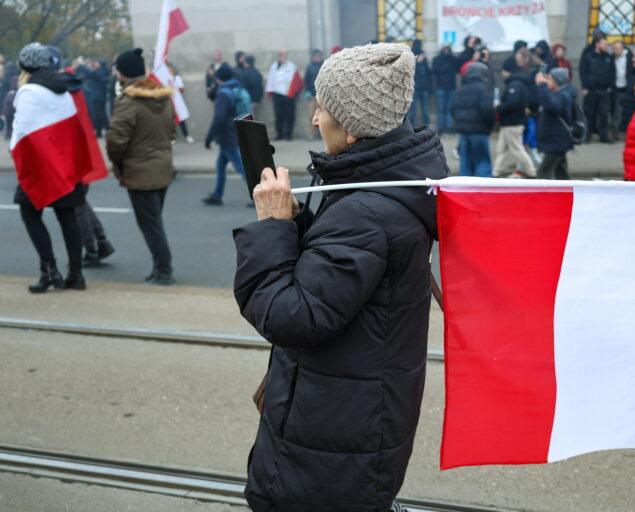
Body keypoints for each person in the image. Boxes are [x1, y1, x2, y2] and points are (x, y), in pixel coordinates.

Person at [234, 42, 448, 512]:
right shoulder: (386, 186)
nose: (314, 120)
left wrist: (272, 229)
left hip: (335, 431)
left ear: (351, 129)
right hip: (356, 410)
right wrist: (297, 224)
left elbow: (294, 316)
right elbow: (346, 277)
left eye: (322, 107)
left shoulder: (367, 211)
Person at [12, 43, 87, 293]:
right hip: (65, 163)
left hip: (41, 166)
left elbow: (22, 133)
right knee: (67, 216)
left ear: (25, 65)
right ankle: (76, 275)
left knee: (29, 211)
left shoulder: (28, 92)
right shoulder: (62, 88)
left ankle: (49, 270)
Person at [107, 48, 176, 285]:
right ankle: (159, 268)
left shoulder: (128, 101)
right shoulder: (163, 96)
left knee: (150, 225)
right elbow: (171, 131)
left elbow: (116, 140)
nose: (115, 73)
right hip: (162, 167)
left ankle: (164, 270)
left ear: (124, 74)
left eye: (117, 70)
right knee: (154, 222)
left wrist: (118, 162)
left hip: (140, 171)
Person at [202, 63, 247, 206]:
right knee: (220, 165)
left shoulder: (223, 94)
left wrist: (208, 138)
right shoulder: (232, 89)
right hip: (231, 133)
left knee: (241, 167)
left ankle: (261, 194)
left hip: (227, 136)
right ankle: (217, 195)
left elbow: (218, 119)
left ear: (219, 77)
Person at [451, 62, 495, 177]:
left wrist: (460, 125)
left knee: (465, 166)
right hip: (480, 132)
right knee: (483, 163)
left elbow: (453, 109)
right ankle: (485, 191)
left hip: (464, 133)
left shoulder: (461, 90)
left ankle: (465, 192)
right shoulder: (483, 90)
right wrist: (489, 127)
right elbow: (488, 111)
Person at [494, 62, 535, 178]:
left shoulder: (514, 85)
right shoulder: (517, 84)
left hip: (512, 124)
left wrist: (499, 107)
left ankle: (532, 172)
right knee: (501, 149)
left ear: (508, 71)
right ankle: (496, 172)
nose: (502, 73)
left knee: (517, 149)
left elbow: (513, 103)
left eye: (503, 70)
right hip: (509, 123)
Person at [535, 68, 576, 180]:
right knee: (561, 175)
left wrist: (542, 86)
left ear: (557, 81)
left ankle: (538, 197)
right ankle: (565, 195)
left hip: (556, 143)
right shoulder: (558, 94)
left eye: (549, 78)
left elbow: (552, 106)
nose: (547, 81)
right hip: (556, 142)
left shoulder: (563, 96)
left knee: (542, 174)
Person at [580, 33, 614, 143]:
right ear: (597, 44)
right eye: (604, 44)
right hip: (590, 90)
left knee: (604, 114)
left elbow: (612, 73)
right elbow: (583, 71)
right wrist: (584, 87)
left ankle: (604, 136)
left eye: (606, 44)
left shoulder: (609, 57)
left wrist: (610, 87)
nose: (606, 46)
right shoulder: (588, 56)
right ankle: (587, 135)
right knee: (589, 114)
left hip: (604, 91)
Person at [266, 50, 299, 140]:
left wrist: (293, 92)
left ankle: (288, 134)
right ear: (279, 56)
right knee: (278, 115)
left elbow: (296, 80)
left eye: (285, 55)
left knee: (289, 115)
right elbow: (271, 79)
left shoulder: (291, 66)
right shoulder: (274, 66)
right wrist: (270, 90)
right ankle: (279, 134)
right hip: (277, 94)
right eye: (282, 55)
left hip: (289, 94)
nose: (283, 57)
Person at [432, 45, 459, 133]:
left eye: (448, 49)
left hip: (451, 87)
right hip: (441, 87)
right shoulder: (437, 59)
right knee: (441, 109)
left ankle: (449, 127)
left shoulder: (453, 59)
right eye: (445, 49)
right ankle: (441, 127)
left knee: (449, 108)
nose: (447, 51)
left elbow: (458, 69)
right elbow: (435, 70)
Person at [167, 63, 194, 144]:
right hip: (169, 101)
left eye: (171, 70)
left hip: (177, 100)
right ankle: (172, 137)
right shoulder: (165, 79)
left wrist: (174, 84)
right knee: (170, 120)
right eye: (168, 70)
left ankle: (186, 135)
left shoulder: (176, 78)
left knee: (181, 119)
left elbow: (181, 89)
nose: (170, 71)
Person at [408, 39, 431, 127]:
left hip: (424, 87)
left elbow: (427, 71)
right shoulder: (410, 54)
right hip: (414, 87)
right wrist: (418, 62)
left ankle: (427, 127)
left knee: (425, 110)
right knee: (412, 111)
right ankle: (411, 128)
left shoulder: (423, 54)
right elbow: (410, 70)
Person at [611, 41, 631, 136]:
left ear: (622, 48)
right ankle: (615, 131)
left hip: (627, 87)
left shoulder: (629, 57)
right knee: (616, 111)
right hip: (615, 88)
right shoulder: (611, 58)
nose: (616, 50)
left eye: (618, 48)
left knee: (624, 110)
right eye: (614, 48)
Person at [303, 49, 323, 139]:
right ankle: (310, 133)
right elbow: (306, 81)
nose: (318, 58)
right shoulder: (309, 67)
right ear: (313, 57)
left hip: (322, 95)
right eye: (316, 56)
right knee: (311, 115)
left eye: (319, 56)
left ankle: (322, 134)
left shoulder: (324, 65)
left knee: (323, 115)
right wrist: (307, 91)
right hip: (312, 95)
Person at [2, 75, 17, 140]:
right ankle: (8, 135)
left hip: (7, 111)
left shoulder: (10, 92)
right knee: (10, 124)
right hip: (10, 112)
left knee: (8, 124)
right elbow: (12, 103)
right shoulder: (13, 93)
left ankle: (7, 135)